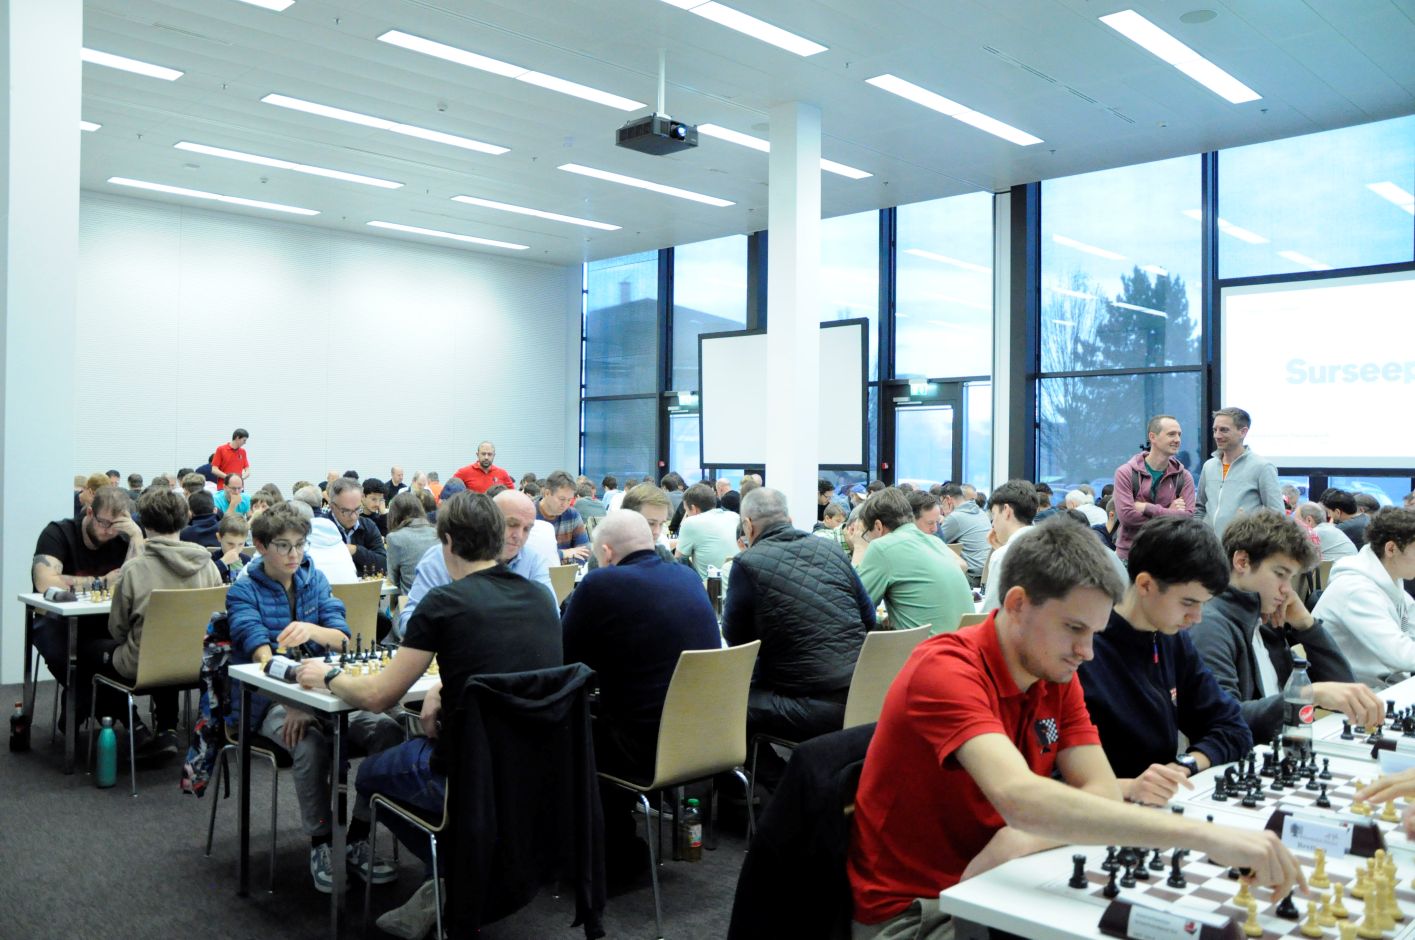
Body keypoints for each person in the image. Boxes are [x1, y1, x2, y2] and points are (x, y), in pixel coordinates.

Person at [847, 520, 1301, 938]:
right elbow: (1020, 798)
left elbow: (1100, 791)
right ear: (1017, 604)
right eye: (1074, 629)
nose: (1087, 652)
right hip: (919, 913)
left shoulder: (1055, 675)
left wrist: (1022, 836)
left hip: (1006, 875)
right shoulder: (946, 669)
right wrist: (1206, 837)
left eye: (1095, 633)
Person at [305, 492, 561, 935]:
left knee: (371, 776)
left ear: (447, 541)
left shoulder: (443, 603)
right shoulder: (540, 597)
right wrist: (447, 684)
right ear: (498, 537)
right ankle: (466, 872)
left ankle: (455, 875)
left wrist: (328, 676)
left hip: (469, 773)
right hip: (534, 770)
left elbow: (378, 696)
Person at [226, 503, 402, 894]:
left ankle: (357, 836)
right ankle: (321, 843)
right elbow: (261, 655)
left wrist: (311, 629)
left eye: (300, 545)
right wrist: (295, 703)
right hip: (267, 700)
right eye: (283, 546)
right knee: (309, 744)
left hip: (324, 692)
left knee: (388, 731)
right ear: (260, 546)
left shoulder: (314, 579)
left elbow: (340, 637)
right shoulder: (243, 590)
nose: (294, 554)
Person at [562, 510, 721, 882]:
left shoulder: (600, 583)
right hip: (706, 738)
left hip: (644, 747)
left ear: (606, 552)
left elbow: (564, 659)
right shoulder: (687, 577)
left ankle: (606, 849)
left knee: (568, 731)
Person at [1077, 516, 1250, 806]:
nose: (1197, 617)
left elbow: (1233, 728)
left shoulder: (1172, 638)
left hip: (1158, 805)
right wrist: (1130, 787)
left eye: (1203, 604)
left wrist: (1184, 766)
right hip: (1096, 811)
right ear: (1145, 584)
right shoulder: (1083, 651)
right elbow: (1048, 778)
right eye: (1188, 602)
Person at [1189, 510, 1383, 744]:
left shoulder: (1267, 619)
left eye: (1291, 578)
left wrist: (1307, 625)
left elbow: (1344, 688)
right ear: (1242, 562)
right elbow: (1222, 719)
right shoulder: (1210, 626)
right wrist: (1307, 695)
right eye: (1280, 574)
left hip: (1284, 749)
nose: (1287, 589)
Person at [722, 487, 873, 745]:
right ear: (789, 519)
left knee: (722, 703)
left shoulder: (747, 563)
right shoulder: (831, 550)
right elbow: (868, 618)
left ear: (748, 526)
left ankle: (775, 772)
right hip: (863, 695)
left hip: (807, 704)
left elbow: (737, 643)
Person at [105, 486, 223, 755]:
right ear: (185, 519)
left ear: (144, 523)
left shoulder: (134, 569)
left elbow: (117, 629)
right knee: (164, 645)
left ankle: (134, 725)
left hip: (144, 665)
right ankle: (166, 728)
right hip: (196, 663)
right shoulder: (208, 565)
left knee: (90, 655)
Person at [31, 485, 145, 732]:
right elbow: (44, 581)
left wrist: (136, 535)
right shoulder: (58, 533)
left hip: (103, 623)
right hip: (55, 620)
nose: (110, 531)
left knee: (118, 653)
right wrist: (103, 581)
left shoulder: (123, 537)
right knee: (68, 658)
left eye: (118, 525)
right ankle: (128, 717)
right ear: (90, 513)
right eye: (104, 523)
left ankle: (77, 706)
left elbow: (136, 581)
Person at [395, 489, 555, 640]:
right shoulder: (442, 556)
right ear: (489, 523)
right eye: (512, 524)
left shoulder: (533, 561)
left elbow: (551, 615)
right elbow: (409, 624)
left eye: (527, 529)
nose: (519, 535)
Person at [1313, 508, 1415, 688]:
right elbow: (1400, 654)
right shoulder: (1356, 590)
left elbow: (1410, 631)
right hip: (1357, 693)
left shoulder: (1390, 580)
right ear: (1391, 549)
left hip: (1380, 686)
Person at [856, 487, 973, 636]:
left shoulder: (881, 547)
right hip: (964, 643)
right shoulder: (935, 542)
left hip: (927, 648)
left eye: (867, 535)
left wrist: (859, 548)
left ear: (878, 526)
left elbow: (854, 607)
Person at [1111, 415, 1196, 560]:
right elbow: (1127, 518)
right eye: (1171, 434)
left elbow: (1187, 519)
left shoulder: (1184, 476)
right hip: (1131, 556)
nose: (1177, 439)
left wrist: (1146, 508)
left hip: (1168, 556)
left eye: (1179, 434)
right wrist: (1171, 513)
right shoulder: (1126, 473)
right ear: (1153, 437)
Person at [1192, 407, 1283, 536]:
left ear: (1243, 432)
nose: (1217, 435)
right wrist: (1199, 537)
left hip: (1244, 545)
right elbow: (1200, 509)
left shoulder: (1263, 467)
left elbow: (1277, 516)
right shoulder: (1209, 466)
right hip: (1209, 545)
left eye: (1224, 430)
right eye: (1215, 430)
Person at [585, 482, 676, 571]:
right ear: (626, 519)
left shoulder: (663, 556)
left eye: (661, 524)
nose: (657, 532)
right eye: (650, 523)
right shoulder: (603, 558)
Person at [980, 480, 1039, 612]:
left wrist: (1000, 553)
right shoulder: (1050, 546)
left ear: (1006, 511)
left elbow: (991, 612)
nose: (993, 524)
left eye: (994, 514)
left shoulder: (1002, 557)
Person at [292, 487, 359, 583]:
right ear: (320, 504)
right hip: (354, 591)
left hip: (321, 591)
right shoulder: (340, 543)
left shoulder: (302, 547)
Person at [322, 477, 387, 574]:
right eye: (346, 511)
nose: (353, 516)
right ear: (332, 507)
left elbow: (383, 563)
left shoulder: (368, 525)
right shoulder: (320, 528)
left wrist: (356, 551)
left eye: (357, 509)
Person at [675, 482, 740, 578]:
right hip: (737, 580)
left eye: (686, 510)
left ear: (693, 508)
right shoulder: (734, 517)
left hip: (709, 584)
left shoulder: (691, 522)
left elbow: (678, 560)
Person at [936, 482, 991, 585]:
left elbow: (934, 543)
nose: (942, 508)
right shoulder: (981, 513)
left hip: (971, 577)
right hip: (987, 575)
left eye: (941, 503)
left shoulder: (955, 517)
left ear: (948, 500)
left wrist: (941, 520)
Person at [385, 491, 440, 596]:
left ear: (394, 515)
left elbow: (393, 579)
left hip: (411, 601)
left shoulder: (394, 538)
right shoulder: (438, 533)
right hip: (440, 600)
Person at [535, 470, 591, 564]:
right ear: (547, 493)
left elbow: (585, 552)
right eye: (562, 499)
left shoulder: (572, 515)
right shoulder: (529, 515)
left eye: (569, 500)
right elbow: (530, 557)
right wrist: (563, 553)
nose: (565, 505)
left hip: (567, 572)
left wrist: (557, 558)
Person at [214, 513, 253, 582]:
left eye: (240, 544)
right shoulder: (211, 560)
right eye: (230, 544)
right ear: (219, 537)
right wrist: (222, 562)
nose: (235, 549)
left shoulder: (247, 560)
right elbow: (206, 577)